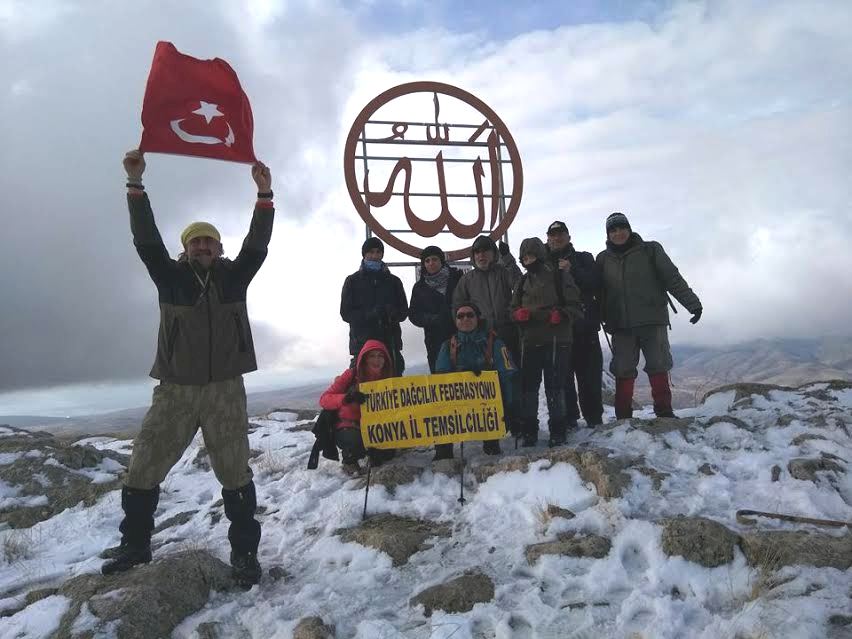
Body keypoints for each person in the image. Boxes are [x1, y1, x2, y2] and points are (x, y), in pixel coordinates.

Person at [102, 150, 274, 589]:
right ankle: (135, 545)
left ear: (219, 248)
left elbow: (258, 244)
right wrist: (135, 186)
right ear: (186, 249)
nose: (202, 246)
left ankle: (245, 555)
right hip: (175, 388)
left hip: (224, 389)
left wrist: (264, 194)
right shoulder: (170, 278)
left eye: (209, 241)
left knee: (235, 472)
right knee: (144, 464)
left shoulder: (236, 277)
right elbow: (146, 242)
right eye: (195, 241)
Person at [597, 212, 702, 419]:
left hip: (652, 320)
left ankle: (664, 412)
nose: (619, 233)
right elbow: (598, 292)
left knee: (658, 365)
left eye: (622, 228)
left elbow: (672, 278)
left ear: (629, 228)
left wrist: (693, 304)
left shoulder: (650, 250)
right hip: (620, 325)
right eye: (613, 230)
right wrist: (600, 317)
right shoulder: (602, 259)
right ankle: (623, 417)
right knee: (623, 370)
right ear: (608, 235)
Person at [511, 238, 583, 447]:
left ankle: (558, 430)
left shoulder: (560, 278)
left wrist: (561, 314)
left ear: (540, 255)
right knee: (529, 389)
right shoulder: (522, 282)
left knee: (555, 388)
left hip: (556, 341)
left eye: (531, 256)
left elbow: (577, 307)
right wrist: (518, 315)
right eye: (524, 257)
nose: (527, 260)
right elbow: (511, 309)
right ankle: (529, 431)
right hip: (530, 342)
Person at [433, 302, 518, 458]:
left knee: (492, 436)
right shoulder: (447, 346)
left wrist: (508, 407)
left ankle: (492, 449)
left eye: (470, 315)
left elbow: (508, 375)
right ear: (455, 320)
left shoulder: (495, 343)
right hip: (457, 403)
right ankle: (443, 455)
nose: (465, 319)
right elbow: (440, 379)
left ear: (478, 318)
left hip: (488, 405)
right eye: (460, 316)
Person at [545, 221, 604, 426]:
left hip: (585, 327)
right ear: (548, 239)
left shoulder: (584, 258)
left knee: (590, 378)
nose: (557, 237)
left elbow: (595, 283)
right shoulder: (543, 265)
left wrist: (572, 271)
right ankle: (570, 419)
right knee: (564, 380)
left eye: (561, 234)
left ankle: (594, 419)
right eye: (553, 234)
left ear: (569, 237)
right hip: (558, 330)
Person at [319, 340, 396, 474]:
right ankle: (350, 461)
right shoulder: (351, 375)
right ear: (364, 358)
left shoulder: (388, 377)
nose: (377, 360)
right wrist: (347, 398)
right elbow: (324, 399)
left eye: (380, 356)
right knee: (355, 442)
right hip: (350, 425)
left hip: (377, 425)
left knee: (387, 454)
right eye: (372, 356)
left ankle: (372, 450)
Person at [340, 237, 408, 375]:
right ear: (364, 254)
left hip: (390, 343)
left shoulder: (394, 281)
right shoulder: (352, 281)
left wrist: (392, 313)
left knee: (394, 387)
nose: (374, 256)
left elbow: (404, 312)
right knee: (363, 387)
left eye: (378, 252)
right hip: (362, 345)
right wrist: (369, 314)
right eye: (371, 252)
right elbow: (345, 313)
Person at [408, 246, 463, 373]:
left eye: (434, 259)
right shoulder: (419, 287)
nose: (431, 263)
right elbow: (413, 314)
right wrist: (432, 319)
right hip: (434, 340)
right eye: (427, 261)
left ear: (441, 261)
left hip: (462, 336)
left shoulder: (457, 279)